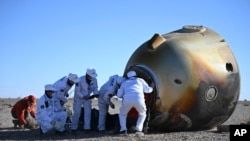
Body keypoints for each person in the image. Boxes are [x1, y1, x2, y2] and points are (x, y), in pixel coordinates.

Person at [71, 68, 99, 133]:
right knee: (77, 113)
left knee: (88, 113)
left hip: (88, 97)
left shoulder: (95, 80)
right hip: (79, 98)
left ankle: (87, 128)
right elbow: (77, 92)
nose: (92, 77)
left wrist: (96, 94)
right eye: (91, 76)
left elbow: (95, 88)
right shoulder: (79, 80)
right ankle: (74, 128)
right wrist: (83, 96)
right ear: (87, 75)